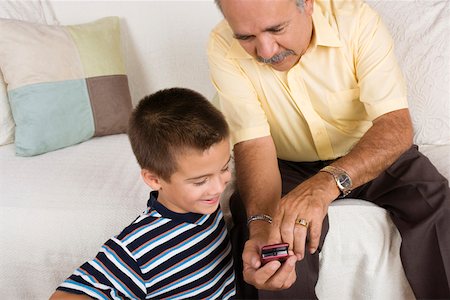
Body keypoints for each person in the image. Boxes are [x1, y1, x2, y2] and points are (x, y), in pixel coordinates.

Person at [207, 0, 450, 298]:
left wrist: (326, 185)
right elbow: (254, 143)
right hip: (285, 164)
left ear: (307, 5)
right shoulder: (221, 44)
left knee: (437, 206)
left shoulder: (356, 21)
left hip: (371, 152)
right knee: (273, 247)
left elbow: (394, 125)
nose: (266, 51)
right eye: (246, 38)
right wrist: (260, 226)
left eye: (276, 29)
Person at [49, 88, 236, 299]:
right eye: (200, 181)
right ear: (154, 179)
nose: (219, 188)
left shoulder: (206, 206)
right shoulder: (137, 249)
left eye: (223, 168)